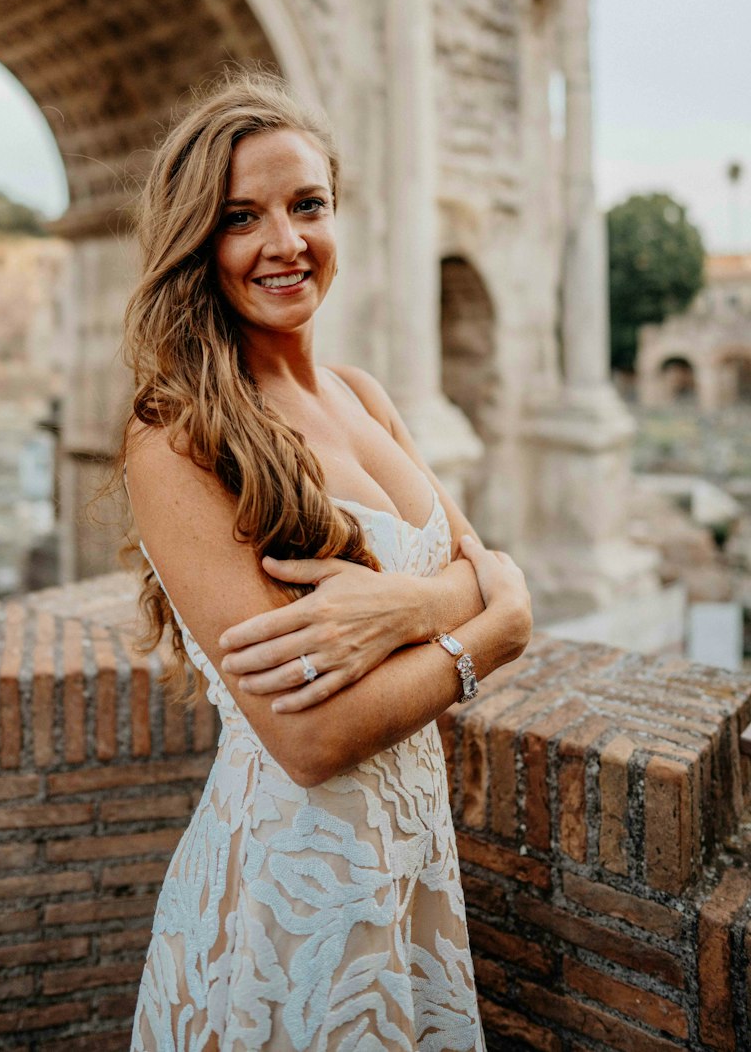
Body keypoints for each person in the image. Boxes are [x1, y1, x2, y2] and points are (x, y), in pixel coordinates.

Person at [120, 71, 532, 1051]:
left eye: (308, 205)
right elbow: (309, 740)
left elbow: (484, 565)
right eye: (239, 218)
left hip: (411, 863)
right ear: (196, 245)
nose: (284, 242)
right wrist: (492, 633)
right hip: (289, 884)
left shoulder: (365, 393)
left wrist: (402, 608)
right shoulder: (175, 439)